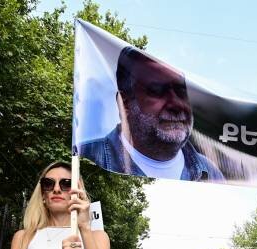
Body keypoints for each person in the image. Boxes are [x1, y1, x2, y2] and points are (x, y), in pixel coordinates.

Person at [79, 46, 225, 182]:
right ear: (126, 102)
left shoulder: (211, 172)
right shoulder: (85, 157)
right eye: (157, 91)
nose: (176, 104)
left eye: (182, 92)